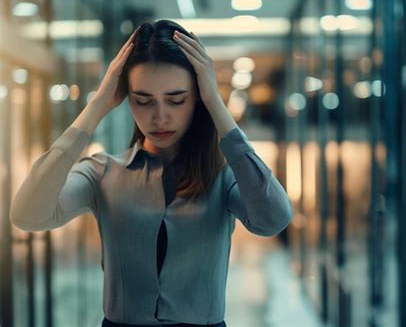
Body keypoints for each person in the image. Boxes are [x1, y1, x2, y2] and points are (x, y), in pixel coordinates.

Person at [9, 19, 293, 327]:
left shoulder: (223, 177)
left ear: (197, 97)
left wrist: (216, 104)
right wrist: (98, 104)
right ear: (127, 98)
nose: (160, 116)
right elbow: (27, 215)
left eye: (176, 99)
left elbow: (273, 219)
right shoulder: (102, 173)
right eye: (143, 101)